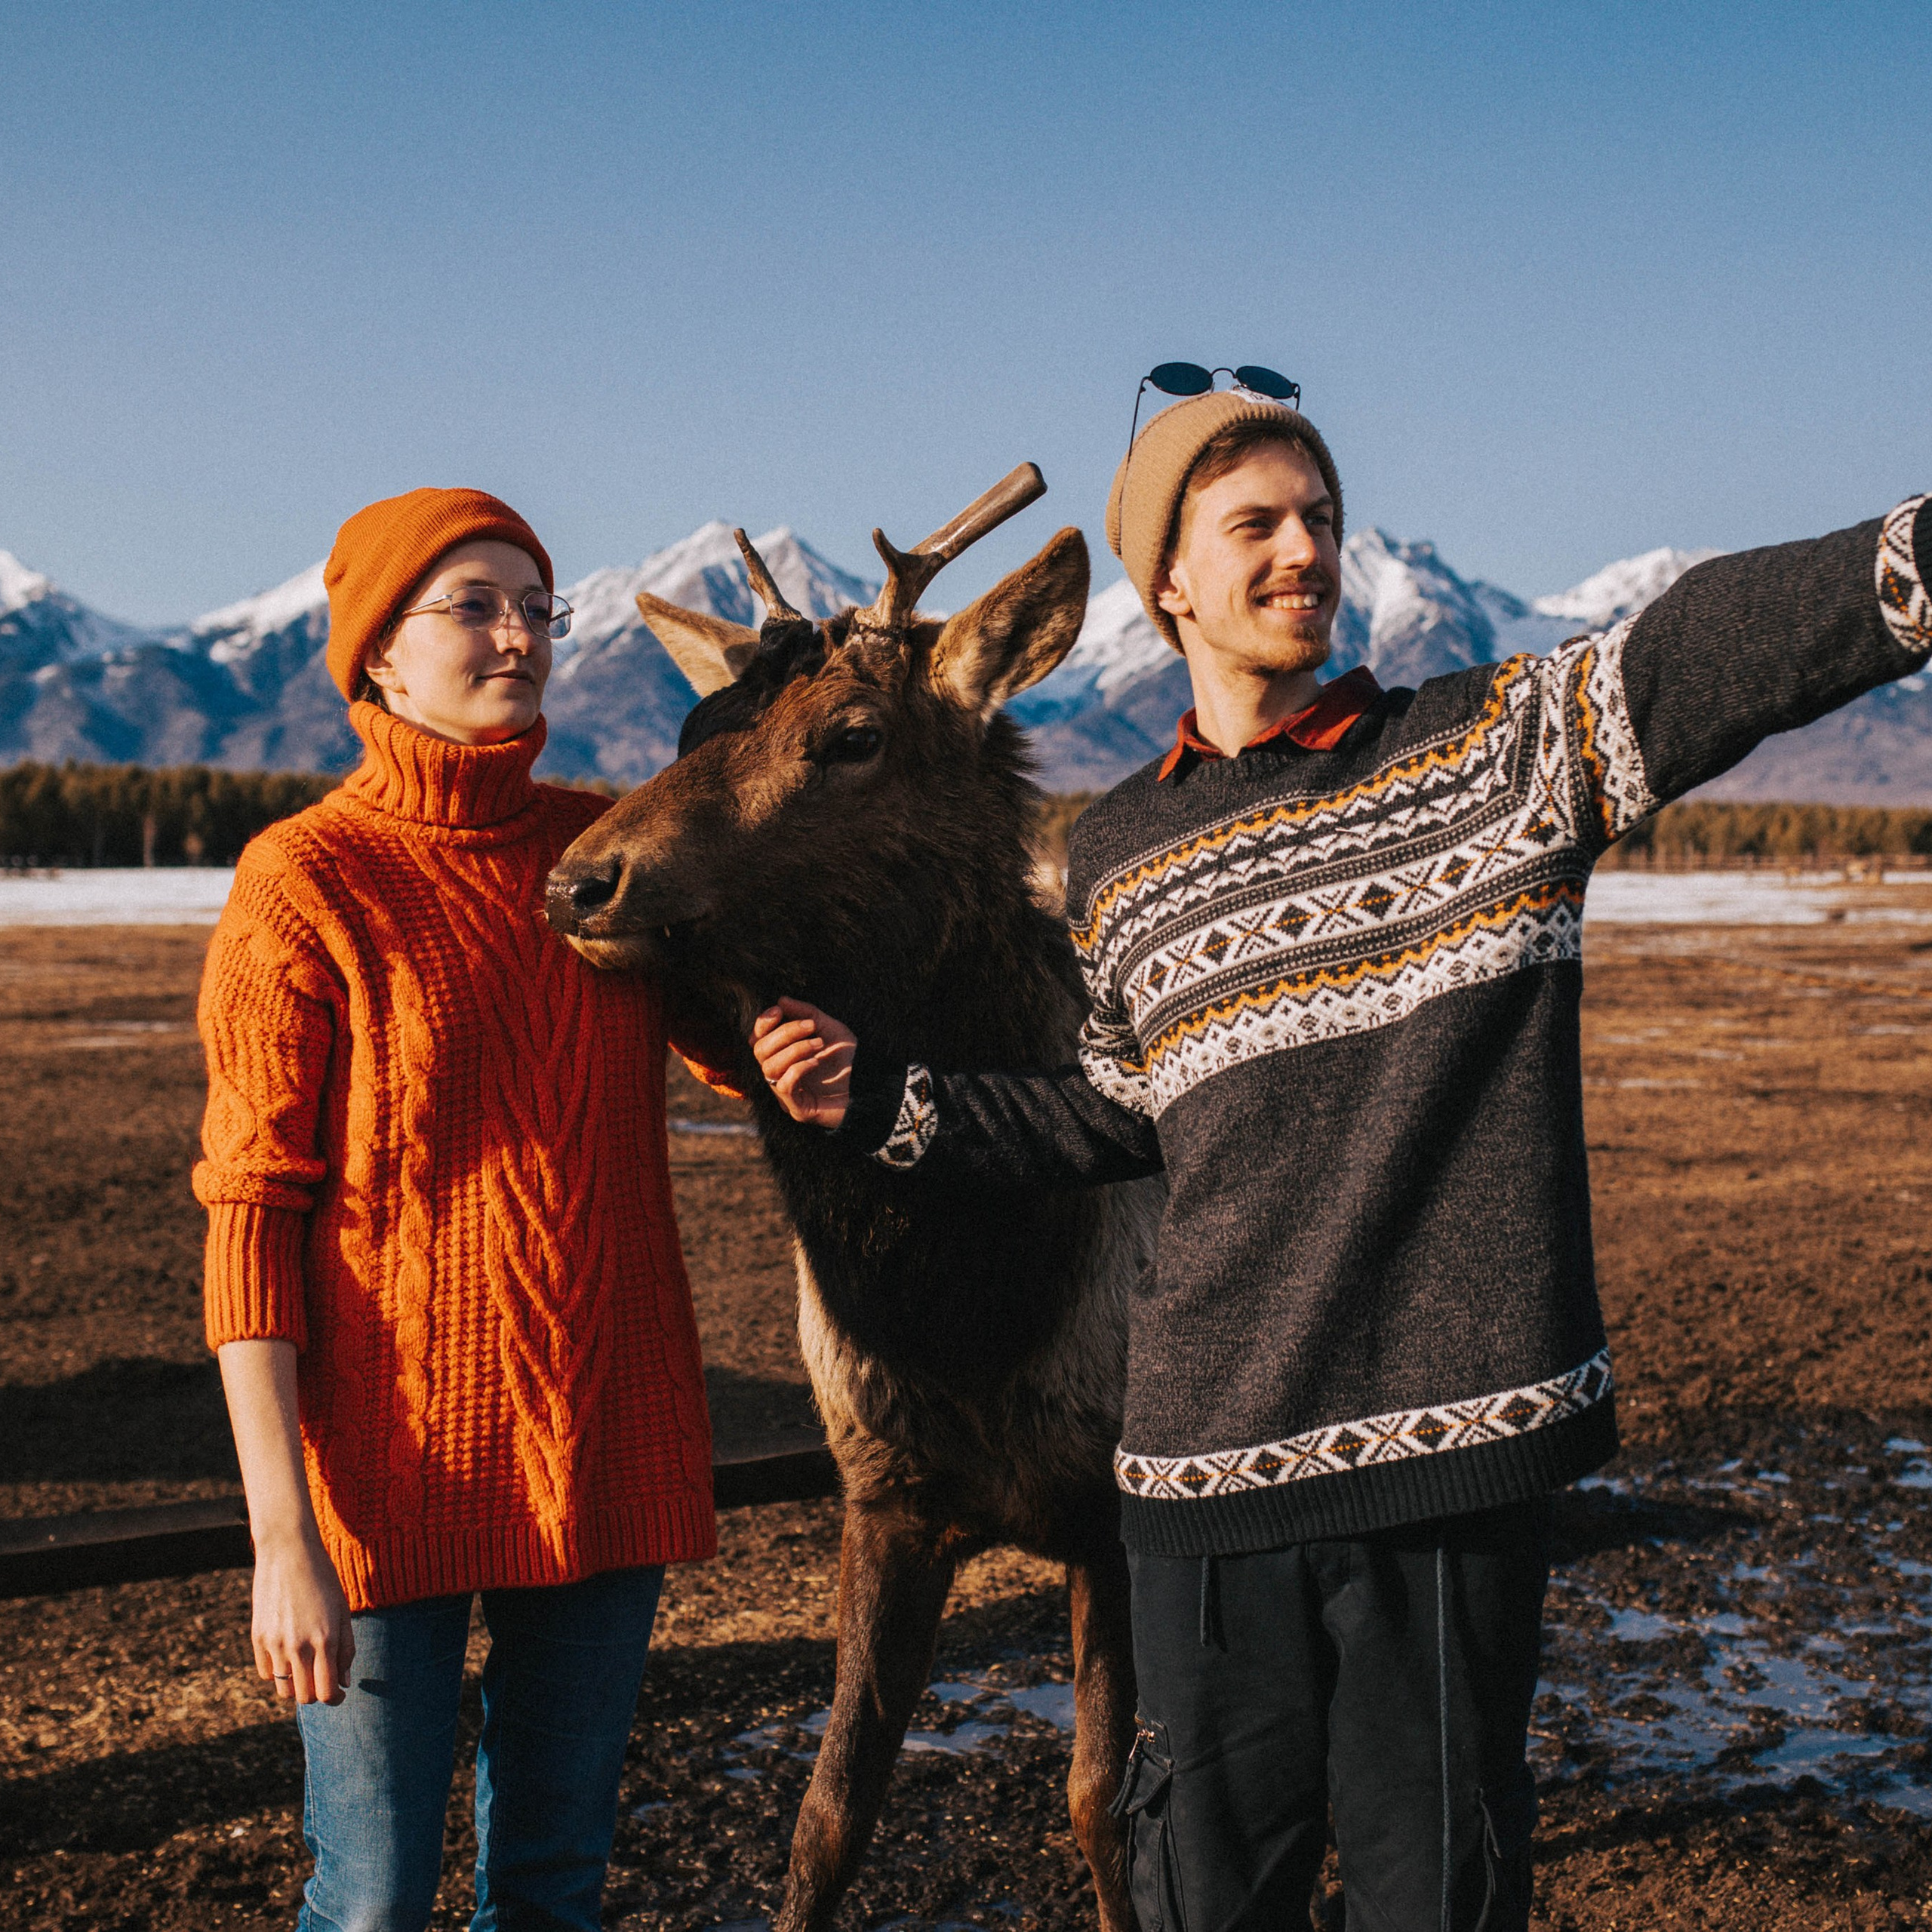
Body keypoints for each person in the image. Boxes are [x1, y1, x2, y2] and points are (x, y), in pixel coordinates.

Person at [751, 382, 1931, 1930]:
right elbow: (1115, 1110)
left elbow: (1701, 644)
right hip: (1194, 1484)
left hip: (1436, 1473)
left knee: (1427, 1893)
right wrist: (888, 1102)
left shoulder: (1487, 759)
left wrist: (1900, 563)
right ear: (1164, 581)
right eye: (1252, 523)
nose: (1301, 548)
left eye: (1317, 517)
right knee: (1198, 1893)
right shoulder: (1117, 851)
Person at [195, 487, 731, 1932]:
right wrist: (280, 1534)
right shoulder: (305, 881)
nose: (519, 636)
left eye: (536, 607)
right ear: (376, 655)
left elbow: (732, 1045)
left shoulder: (604, 855)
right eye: (474, 605)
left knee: (554, 1890)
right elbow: (250, 1216)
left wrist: (799, 1047)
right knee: (368, 1903)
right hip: (381, 1472)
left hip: (602, 1441)